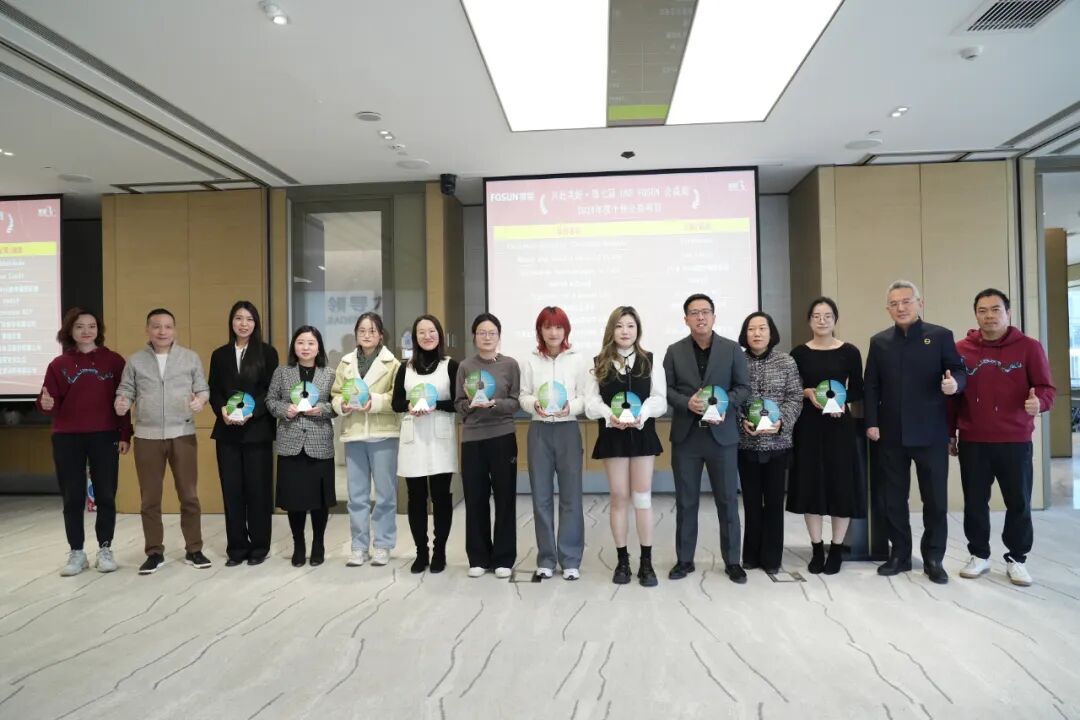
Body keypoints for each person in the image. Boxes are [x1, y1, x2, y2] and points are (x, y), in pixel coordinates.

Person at [950, 288, 1055, 587]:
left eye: (996, 309)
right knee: (974, 502)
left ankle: (1017, 559)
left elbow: (1046, 388)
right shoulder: (961, 350)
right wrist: (949, 433)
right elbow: (952, 397)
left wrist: (1039, 403)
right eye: (982, 310)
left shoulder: (1029, 348)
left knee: (1019, 502)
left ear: (1008, 313)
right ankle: (978, 554)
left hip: (1015, 440)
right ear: (975, 315)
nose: (989, 316)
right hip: (974, 440)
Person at [864, 280, 965, 584]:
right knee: (893, 498)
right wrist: (871, 421)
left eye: (906, 301)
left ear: (920, 303)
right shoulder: (879, 342)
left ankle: (933, 558)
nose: (901, 307)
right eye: (894, 303)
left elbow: (959, 370)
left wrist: (955, 384)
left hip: (931, 432)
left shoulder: (940, 336)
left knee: (935, 499)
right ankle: (900, 554)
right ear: (887, 309)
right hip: (891, 433)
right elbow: (871, 386)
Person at [663, 294, 751, 584]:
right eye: (694, 312)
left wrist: (724, 403)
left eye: (705, 312)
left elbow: (743, 387)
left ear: (714, 316)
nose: (700, 317)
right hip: (686, 437)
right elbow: (667, 390)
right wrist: (685, 402)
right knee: (686, 501)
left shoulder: (732, 349)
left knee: (727, 501)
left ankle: (733, 561)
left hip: (721, 437)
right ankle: (684, 560)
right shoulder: (674, 351)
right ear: (685, 319)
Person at [115, 308, 211, 575]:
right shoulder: (135, 361)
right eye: (156, 326)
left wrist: (200, 401)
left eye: (167, 326)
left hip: (182, 434)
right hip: (147, 436)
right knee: (149, 499)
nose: (162, 331)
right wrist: (122, 402)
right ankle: (154, 552)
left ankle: (194, 549)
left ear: (175, 330)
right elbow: (125, 390)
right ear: (147, 330)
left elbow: (203, 388)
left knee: (189, 496)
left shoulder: (189, 358)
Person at [38, 308, 131, 576]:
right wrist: (45, 404)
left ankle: (105, 549)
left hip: (105, 435)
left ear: (98, 330)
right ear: (70, 331)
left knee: (106, 494)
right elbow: (48, 402)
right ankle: (76, 552)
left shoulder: (114, 361)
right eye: (80, 326)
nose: (86, 331)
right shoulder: (58, 364)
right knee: (72, 497)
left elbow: (123, 402)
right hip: (67, 436)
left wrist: (125, 434)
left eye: (91, 326)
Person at [585, 306, 667, 586]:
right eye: (619, 326)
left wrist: (642, 414)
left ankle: (647, 562)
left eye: (631, 326)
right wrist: (610, 415)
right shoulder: (599, 362)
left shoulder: (650, 360)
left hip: (642, 434)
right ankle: (622, 561)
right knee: (619, 496)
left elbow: (660, 399)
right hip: (613, 435)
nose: (625, 331)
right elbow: (591, 402)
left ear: (638, 330)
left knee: (642, 497)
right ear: (612, 329)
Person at [788, 297, 865, 575]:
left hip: (839, 425)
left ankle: (837, 549)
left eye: (828, 315)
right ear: (809, 320)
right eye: (817, 316)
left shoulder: (849, 351)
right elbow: (791, 389)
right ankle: (817, 548)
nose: (822, 320)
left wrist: (842, 400)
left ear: (835, 319)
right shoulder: (798, 353)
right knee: (811, 485)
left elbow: (858, 389)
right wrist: (806, 392)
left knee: (840, 485)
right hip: (808, 426)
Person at [207, 301, 279, 567]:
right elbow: (214, 390)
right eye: (238, 318)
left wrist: (252, 412)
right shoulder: (219, 354)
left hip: (257, 430)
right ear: (231, 322)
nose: (243, 323)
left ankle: (260, 546)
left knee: (258, 491)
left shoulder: (267, 353)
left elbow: (271, 390)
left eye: (249, 319)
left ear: (256, 323)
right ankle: (236, 548)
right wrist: (222, 411)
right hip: (227, 432)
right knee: (232, 491)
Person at [519, 306, 587, 581]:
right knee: (541, 497)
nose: (553, 332)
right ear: (540, 330)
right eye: (547, 327)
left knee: (571, 496)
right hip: (539, 431)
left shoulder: (578, 359)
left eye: (558, 327)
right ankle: (546, 558)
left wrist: (571, 407)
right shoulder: (530, 360)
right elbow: (523, 395)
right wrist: (533, 404)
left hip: (568, 429)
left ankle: (570, 559)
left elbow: (584, 397)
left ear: (566, 330)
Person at [331, 312, 401, 568]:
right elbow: (335, 394)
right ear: (356, 334)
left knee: (385, 495)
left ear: (381, 335)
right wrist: (342, 405)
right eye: (362, 330)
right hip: (355, 433)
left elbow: (396, 398)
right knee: (357, 496)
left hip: (384, 433)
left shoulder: (392, 364)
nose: (367, 335)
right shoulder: (346, 363)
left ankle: (383, 545)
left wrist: (374, 402)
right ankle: (359, 546)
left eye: (372, 331)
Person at [736, 312, 802, 575]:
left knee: (774, 503)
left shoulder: (786, 361)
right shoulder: (737, 361)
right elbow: (733, 398)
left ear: (771, 332)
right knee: (751, 502)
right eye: (751, 329)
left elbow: (795, 396)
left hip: (778, 444)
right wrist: (741, 420)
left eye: (762, 328)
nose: (757, 333)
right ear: (745, 334)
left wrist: (782, 421)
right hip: (746, 444)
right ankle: (751, 555)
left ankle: (772, 557)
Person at [391, 315, 458, 574]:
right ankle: (421, 552)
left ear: (439, 334)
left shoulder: (450, 365)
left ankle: (439, 551)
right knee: (416, 497)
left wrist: (435, 405)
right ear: (414, 337)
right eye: (421, 332)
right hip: (413, 438)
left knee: (441, 497)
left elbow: (458, 402)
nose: (427, 336)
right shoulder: (405, 368)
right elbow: (396, 403)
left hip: (440, 438)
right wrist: (409, 405)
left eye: (432, 331)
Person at [455, 313, 520, 578]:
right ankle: (478, 557)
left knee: (505, 498)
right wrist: (471, 404)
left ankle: (504, 558)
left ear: (499, 336)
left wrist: (495, 404)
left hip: (503, 437)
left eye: (492, 332)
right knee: (475, 499)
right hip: (472, 439)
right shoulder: (465, 366)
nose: (487, 337)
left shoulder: (510, 365)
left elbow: (515, 402)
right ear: (474, 337)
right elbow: (458, 404)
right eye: (482, 332)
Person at [266, 326, 337, 567]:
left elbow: (337, 404)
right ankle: (299, 545)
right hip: (291, 441)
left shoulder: (329, 374)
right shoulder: (282, 373)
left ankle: (318, 544)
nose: (305, 347)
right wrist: (284, 409)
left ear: (319, 347)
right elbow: (270, 400)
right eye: (300, 342)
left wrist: (322, 409)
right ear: (294, 346)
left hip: (319, 442)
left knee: (319, 500)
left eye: (311, 343)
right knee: (294, 499)